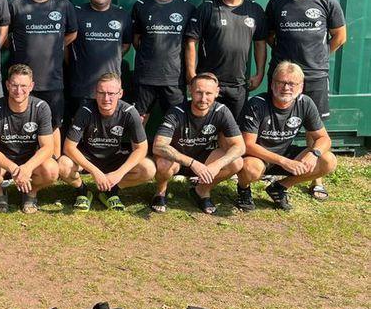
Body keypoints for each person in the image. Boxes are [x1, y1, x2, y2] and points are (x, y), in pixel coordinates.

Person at [264, 0, 346, 200]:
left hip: (315, 75)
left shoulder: (326, 1)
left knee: (314, 129)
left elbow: (340, 36)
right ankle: (270, 168)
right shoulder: (277, 2)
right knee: (273, 124)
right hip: (282, 76)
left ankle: (315, 178)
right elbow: (269, 36)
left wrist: (320, 57)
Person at [236, 62, 337, 211]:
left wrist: (314, 154)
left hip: (285, 153)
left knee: (328, 160)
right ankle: (243, 189)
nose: (286, 88)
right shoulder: (257, 104)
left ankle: (280, 187)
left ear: (301, 87)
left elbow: (324, 138)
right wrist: (284, 162)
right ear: (272, 84)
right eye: (281, 82)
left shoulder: (305, 103)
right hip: (258, 156)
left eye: (292, 84)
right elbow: (248, 145)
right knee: (250, 168)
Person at [8, 0, 78, 157]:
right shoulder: (16, 4)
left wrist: (57, 45)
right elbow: (4, 34)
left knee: (54, 123)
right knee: (20, 121)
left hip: (52, 80)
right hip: (21, 82)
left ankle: (54, 161)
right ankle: (22, 160)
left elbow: (72, 33)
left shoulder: (63, 4)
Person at [58, 73, 155, 210]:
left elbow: (141, 148)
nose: (106, 98)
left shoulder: (129, 112)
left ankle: (111, 191)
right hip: (89, 158)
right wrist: (94, 171)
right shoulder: (85, 111)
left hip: (115, 158)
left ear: (120, 93)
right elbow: (69, 147)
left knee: (148, 169)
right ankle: (83, 191)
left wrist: (119, 173)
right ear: (95, 93)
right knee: (63, 164)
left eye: (111, 93)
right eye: (101, 93)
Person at [151, 73, 245, 214]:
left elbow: (240, 146)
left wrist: (217, 165)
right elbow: (158, 146)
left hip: (206, 161)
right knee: (163, 162)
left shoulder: (221, 111)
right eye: (199, 92)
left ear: (217, 92)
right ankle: (160, 192)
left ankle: (202, 190)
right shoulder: (176, 112)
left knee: (236, 162)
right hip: (178, 161)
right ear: (190, 90)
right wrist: (192, 163)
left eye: (209, 93)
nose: (203, 99)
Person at [184, 0, 268, 119]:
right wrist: (191, 73)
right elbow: (191, 42)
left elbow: (260, 43)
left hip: (238, 84)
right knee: (205, 124)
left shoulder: (254, 9)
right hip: (209, 83)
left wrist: (259, 73)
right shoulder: (207, 8)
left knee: (234, 127)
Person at [0, 64, 58, 213]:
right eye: (14, 85)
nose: (19, 90)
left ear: (31, 86)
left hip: (30, 161)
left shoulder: (41, 107)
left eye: (23, 86)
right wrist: (14, 168)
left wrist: (27, 168)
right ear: (7, 85)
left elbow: (48, 147)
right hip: (2, 162)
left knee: (52, 170)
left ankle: (30, 193)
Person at [130, 0, 195, 122]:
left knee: (177, 121)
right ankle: (140, 142)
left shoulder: (187, 6)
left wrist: (190, 73)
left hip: (174, 78)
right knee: (138, 120)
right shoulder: (141, 5)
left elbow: (191, 43)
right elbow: (136, 40)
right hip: (145, 77)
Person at [67, 0, 132, 116]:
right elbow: (67, 43)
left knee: (108, 126)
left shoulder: (122, 15)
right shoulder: (76, 13)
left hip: (111, 89)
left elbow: (126, 44)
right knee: (79, 125)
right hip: (82, 87)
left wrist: (112, 57)